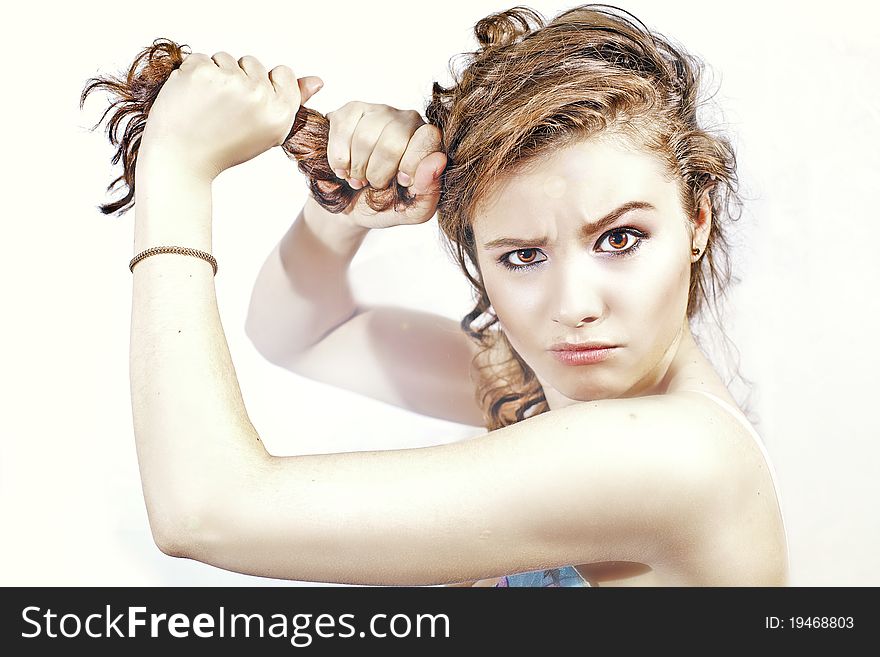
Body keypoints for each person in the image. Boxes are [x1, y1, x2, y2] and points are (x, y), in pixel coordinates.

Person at [83, 4, 788, 586]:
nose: (574, 304)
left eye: (619, 239)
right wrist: (342, 212)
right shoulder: (555, 395)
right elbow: (302, 333)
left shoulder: (680, 456)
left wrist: (173, 171)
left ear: (696, 220)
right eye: (523, 255)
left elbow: (203, 511)